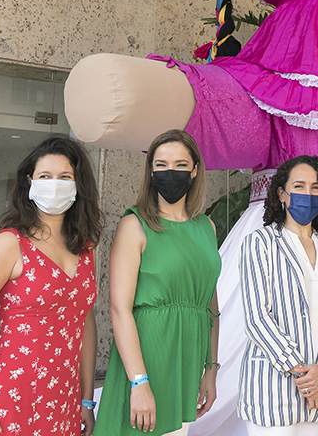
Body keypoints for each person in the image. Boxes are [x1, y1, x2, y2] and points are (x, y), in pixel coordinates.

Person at [0, 135, 103, 436]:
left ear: (78, 185)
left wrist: (87, 400)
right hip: (13, 396)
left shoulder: (86, 248)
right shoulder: (11, 244)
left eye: (65, 177)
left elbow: (85, 320)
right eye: (45, 176)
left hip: (65, 401)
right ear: (30, 182)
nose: (54, 184)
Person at [96, 130, 221, 435]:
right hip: (149, 355)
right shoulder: (134, 224)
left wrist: (211, 369)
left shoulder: (207, 227)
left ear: (194, 170)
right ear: (150, 170)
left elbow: (210, 306)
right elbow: (119, 310)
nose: (170, 172)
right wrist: (139, 383)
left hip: (188, 357)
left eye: (180, 165)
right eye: (162, 164)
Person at [239, 155, 318, 435]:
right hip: (273, 386)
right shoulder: (260, 243)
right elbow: (257, 319)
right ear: (282, 194)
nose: (308, 193)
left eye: (316, 187)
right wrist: (305, 377)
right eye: (299, 186)